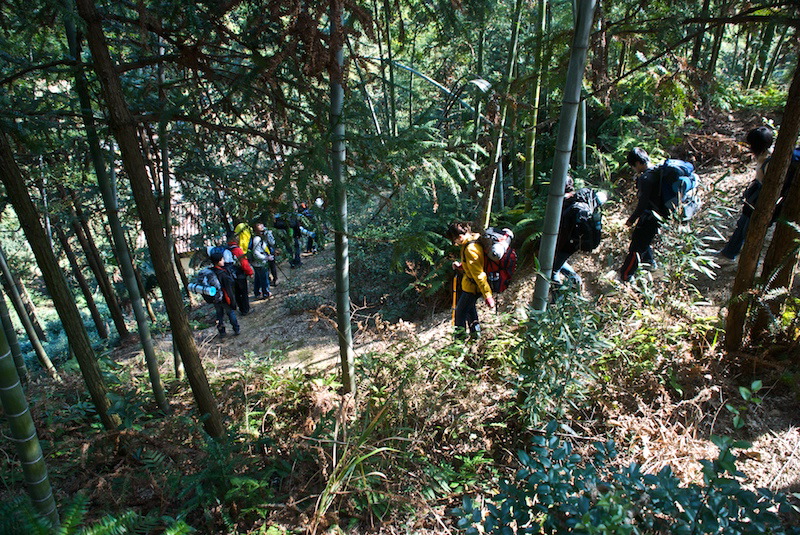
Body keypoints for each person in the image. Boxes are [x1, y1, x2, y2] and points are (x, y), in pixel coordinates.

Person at [719, 126, 774, 260]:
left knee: (748, 229)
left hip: (762, 197)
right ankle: (729, 252)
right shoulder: (765, 155)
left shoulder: (770, 160)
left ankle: (743, 259)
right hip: (756, 194)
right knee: (742, 224)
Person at [446, 221, 495, 339]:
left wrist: (488, 295)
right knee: (470, 312)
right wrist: (461, 266)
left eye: (455, 240)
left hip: (473, 288)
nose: (455, 244)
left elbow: (479, 274)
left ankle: (459, 343)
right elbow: (472, 265)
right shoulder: (472, 241)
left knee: (460, 314)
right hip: (470, 286)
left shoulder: (470, 249)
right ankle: (476, 338)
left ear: (460, 237)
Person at [620, 147, 663, 281]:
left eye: (634, 166)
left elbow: (642, 205)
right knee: (643, 240)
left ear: (638, 163)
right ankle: (650, 264)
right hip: (660, 215)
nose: (635, 170)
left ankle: (626, 276)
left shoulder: (646, 178)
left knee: (635, 248)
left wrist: (631, 220)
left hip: (649, 217)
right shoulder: (657, 171)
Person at [210, 251, 239, 337]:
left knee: (219, 315)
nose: (223, 261)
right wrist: (232, 301)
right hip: (224, 298)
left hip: (215, 298)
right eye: (222, 259)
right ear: (218, 261)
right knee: (230, 313)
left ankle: (222, 332)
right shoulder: (222, 273)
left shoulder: (211, 272)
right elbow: (229, 288)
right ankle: (236, 329)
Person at [227, 230, 254, 315]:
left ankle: (241, 309)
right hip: (240, 274)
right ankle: (246, 309)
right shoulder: (237, 250)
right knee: (244, 293)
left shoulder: (227, 250)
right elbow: (244, 263)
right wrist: (250, 272)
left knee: (237, 294)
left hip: (231, 275)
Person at [250, 223, 272, 299]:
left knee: (258, 278)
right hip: (259, 263)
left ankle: (257, 292)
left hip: (258, 262)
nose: (263, 232)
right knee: (264, 278)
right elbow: (256, 253)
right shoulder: (257, 239)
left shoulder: (260, 239)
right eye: (261, 231)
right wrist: (265, 258)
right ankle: (265, 293)